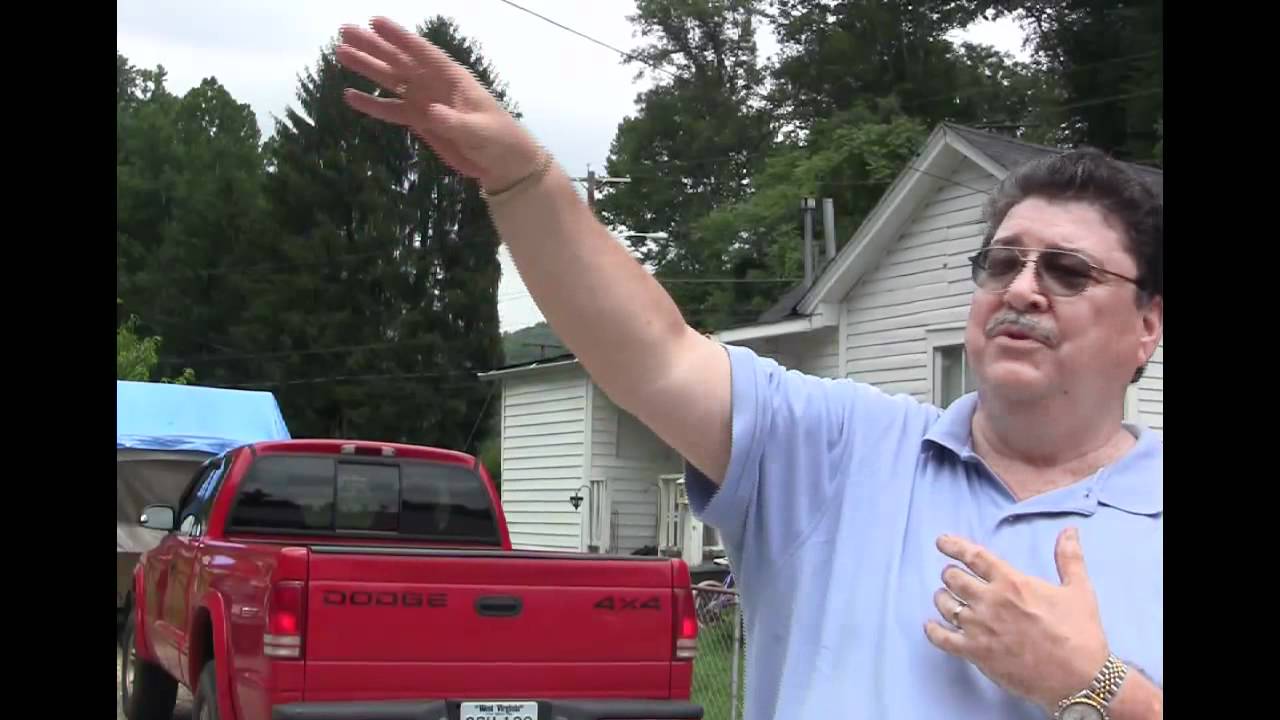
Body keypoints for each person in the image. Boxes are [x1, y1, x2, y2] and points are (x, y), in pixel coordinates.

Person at [334, 17, 1163, 719]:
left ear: (1147, 329)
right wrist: (522, 181)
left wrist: (1091, 688)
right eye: (1001, 262)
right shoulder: (836, 449)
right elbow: (651, 351)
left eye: (1069, 271)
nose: (1022, 288)